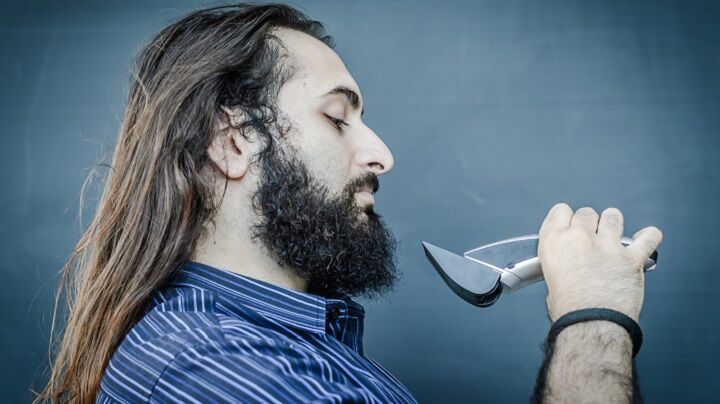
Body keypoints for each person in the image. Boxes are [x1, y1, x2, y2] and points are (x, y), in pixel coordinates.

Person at [38, 3, 663, 403]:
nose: (382, 154)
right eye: (338, 118)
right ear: (231, 145)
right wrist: (594, 321)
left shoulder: (293, 345)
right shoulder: (213, 371)